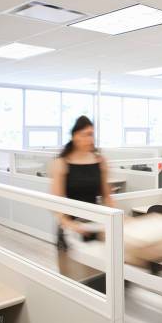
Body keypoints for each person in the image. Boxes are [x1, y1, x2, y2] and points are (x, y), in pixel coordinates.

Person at [51, 116, 116, 289]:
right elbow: (57, 202)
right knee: (71, 283)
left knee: (95, 282)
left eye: (92, 135)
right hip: (70, 229)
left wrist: (117, 218)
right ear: (74, 136)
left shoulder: (100, 162)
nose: (90, 139)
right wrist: (69, 224)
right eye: (86, 134)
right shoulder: (61, 163)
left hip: (93, 226)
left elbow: (107, 196)